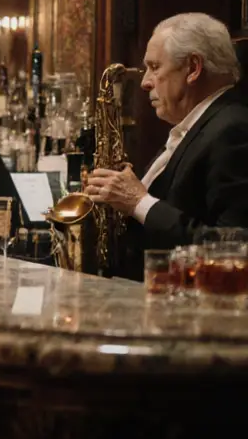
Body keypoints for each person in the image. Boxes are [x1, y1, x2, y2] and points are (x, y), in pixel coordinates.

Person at [86, 13, 248, 264]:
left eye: (154, 67)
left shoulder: (233, 130)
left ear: (193, 68)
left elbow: (233, 249)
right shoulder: (197, 126)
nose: (144, 83)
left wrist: (138, 201)